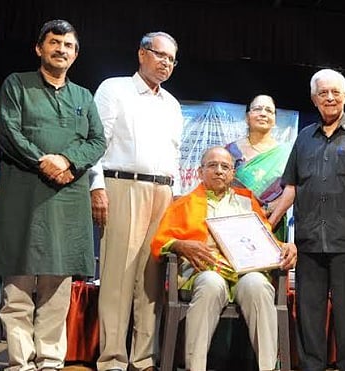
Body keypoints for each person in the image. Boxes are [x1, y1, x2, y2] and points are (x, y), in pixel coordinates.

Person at [0, 19, 106, 371]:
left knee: (58, 289)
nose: (61, 50)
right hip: (24, 196)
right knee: (20, 287)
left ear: (75, 53)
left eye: (68, 45)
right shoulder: (17, 85)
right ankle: (20, 362)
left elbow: (98, 141)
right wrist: (43, 161)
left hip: (67, 199)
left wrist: (69, 161)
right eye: (54, 43)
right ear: (39, 48)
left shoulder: (83, 96)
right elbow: (8, 131)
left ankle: (51, 360)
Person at [269, 68, 345, 371]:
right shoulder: (304, 138)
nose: (330, 98)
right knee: (309, 315)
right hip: (309, 241)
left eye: (335, 92)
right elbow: (291, 188)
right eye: (323, 93)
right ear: (314, 98)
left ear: (344, 96)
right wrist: (267, 223)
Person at [150, 146, 298, 371]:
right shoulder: (184, 204)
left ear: (232, 174)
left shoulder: (247, 202)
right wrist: (180, 244)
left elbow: (265, 240)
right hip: (203, 273)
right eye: (212, 165)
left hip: (244, 274)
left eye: (225, 167)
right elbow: (160, 243)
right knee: (211, 282)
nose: (219, 171)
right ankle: (195, 367)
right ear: (200, 172)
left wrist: (286, 247)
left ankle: (268, 367)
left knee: (258, 284)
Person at [89, 32, 183, 371]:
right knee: (117, 275)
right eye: (160, 55)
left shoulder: (172, 104)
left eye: (172, 59)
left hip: (163, 192)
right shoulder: (115, 89)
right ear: (142, 53)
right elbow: (96, 142)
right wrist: (96, 186)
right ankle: (113, 358)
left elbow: (175, 153)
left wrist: (175, 198)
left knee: (151, 279)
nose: (166, 63)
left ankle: (143, 357)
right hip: (123, 186)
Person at [225, 94, 291, 241]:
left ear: (274, 120)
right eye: (257, 109)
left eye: (269, 110)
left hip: (272, 224)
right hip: (233, 223)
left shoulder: (286, 153)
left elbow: (293, 190)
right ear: (247, 117)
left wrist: (267, 215)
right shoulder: (230, 151)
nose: (263, 113)